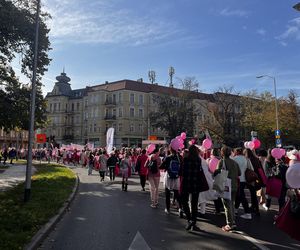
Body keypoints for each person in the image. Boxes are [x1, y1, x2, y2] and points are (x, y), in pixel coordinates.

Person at [214, 146, 241, 232]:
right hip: (234, 185)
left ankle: (230, 224)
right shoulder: (234, 162)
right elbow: (239, 173)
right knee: (232, 204)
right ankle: (233, 222)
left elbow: (216, 172)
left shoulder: (221, 162)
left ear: (222, 153)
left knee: (227, 205)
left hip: (225, 186)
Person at [181, 145, 207, 231]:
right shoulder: (198, 160)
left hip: (186, 183)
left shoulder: (185, 160)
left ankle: (189, 219)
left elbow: (181, 172)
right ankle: (193, 223)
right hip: (196, 184)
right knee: (194, 204)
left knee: (184, 202)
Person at [160, 145, 182, 215]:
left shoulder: (168, 157)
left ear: (170, 149)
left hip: (169, 176)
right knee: (176, 193)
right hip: (176, 177)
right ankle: (180, 208)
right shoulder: (180, 157)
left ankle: (168, 208)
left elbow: (161, 166)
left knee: (167, 193)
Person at [233, 148, 252, 219]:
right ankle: (235, 210)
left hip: (237, 179)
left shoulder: (234, 159)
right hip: (244, 179)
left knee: (241, 196)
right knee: (239, 195)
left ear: (236, 152)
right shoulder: (246, 159)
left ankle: (247, 213)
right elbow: (250, 168)